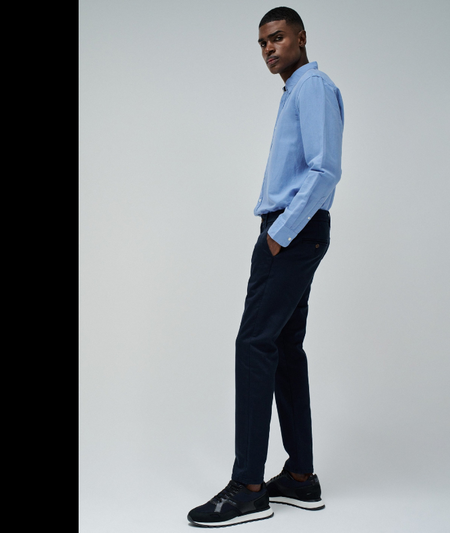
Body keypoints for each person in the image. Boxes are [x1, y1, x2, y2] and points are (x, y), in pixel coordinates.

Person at [187, 6, 344, 528]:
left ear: (301, 37)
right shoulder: (297, 90)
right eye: (262, 43)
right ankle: (300, 478)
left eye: (277, 38)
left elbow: (325, 170)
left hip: (291, 232)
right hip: (293, 231)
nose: (269, 49)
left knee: (253, 344)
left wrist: (278, 235)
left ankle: (249, 488)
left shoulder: (312, 86)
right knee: (283, 348)